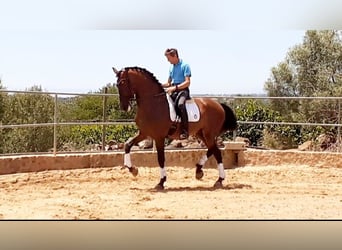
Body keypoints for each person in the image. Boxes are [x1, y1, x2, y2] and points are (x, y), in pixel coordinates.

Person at [162, 48, 191, 140]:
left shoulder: (185, 65)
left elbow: (187, 82)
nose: (168, 60)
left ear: (174, 56)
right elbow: (169, 83)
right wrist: (159, 85)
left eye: (169, 58)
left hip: (183, 90)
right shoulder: (171, 67)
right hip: (173, 90)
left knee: (180, 105)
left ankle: (185, 131)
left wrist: (175, 88)